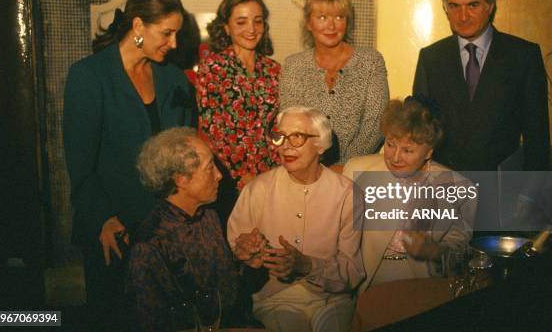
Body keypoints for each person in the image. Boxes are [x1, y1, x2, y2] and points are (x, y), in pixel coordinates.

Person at [63, 0, 195, 329]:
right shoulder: (89, 76)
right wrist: (103, 218)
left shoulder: (173, 77)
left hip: (165, 232)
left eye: (177, 34)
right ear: (138, 27)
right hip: (114, 232)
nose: (175, 44)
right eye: (167, 33)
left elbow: (187, 152)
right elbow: (80, 167)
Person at [228, 106, 365, 332]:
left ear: (321, 145)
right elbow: (234, 260)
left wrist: (307, 265)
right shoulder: (257, 189)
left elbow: (352, 271)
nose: (286, 146)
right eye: (280, 137)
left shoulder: (347, 194)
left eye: (297, 137)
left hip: (332, 300)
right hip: (276, 301)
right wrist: (246, 257)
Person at [413, 0, 550, 171]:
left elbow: (537, 137)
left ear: (490, 6)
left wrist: (530, 197)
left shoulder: (523, 56)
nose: (463, 16)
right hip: (443, 187)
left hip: (501, 188)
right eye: (454, 6)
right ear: (445, 9)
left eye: (473, 5)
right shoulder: (431, 58)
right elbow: (419, 132)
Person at [343, 98, 476, 290]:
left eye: (407, 150)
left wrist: (435, 252)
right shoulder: (358, 171)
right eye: (390, 145)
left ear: (429, 152)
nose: (395, 157)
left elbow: (461, 259)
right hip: (365, 279)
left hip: (423, 281)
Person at [126, 127, 238, 332]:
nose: (219, 175)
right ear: (181, 179)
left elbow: (226, 295)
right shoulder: (150, 244)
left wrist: (245, 260)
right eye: (210, 167)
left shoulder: (209, 217)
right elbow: (154, 322)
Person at [280, 0, 389, 166]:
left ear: (347, 21)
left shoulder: (370, 61)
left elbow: (375, 123)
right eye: (322, 17)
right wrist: (315, 168)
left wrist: (345, 166)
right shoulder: (293, 66)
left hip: (356, 170)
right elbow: (291, 126)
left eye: (339, 17)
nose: (331, 26)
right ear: (308, 22)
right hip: (306, 169)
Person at [196, 0, 281, 226]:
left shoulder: (275, 70)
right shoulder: (213, 67)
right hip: (231, 181)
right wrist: (241, 175)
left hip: (273, 176)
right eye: (241, 22)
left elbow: (278, 126)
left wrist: (275, 172)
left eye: (257, 21)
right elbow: (212, 128)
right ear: (226, 27)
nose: (251, 29)